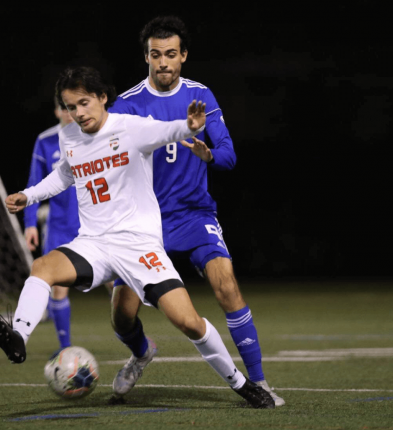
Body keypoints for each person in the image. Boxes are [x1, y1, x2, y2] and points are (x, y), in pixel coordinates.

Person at [0, 66, 274, 409]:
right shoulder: (70, 137)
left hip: (138, 246)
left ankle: (243, 385)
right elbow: (66, 172)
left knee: (188, 322)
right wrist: (29, 195)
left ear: (102, 98)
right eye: (70, 107)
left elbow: (168, 130)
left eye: (83, 103)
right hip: (93, 243)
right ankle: (19, 335)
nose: (77, 113)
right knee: (43, 267)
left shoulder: (130, 128)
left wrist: (191, 126)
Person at [108, 16, 285, 406]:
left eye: (171, 54)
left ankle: (259, 383)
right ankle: (141, 352)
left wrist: (208, 155)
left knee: (227, 286)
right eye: (156, 55)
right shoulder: (126, 104)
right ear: (147, 57)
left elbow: (229, 156)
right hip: (143, 223)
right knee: (121, 316)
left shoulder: (202, 96)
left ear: (184, 56)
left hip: (193, 215)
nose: (163, 63)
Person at [24, 99, 114, 350]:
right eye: (64, 107)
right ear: (56, 110)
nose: (69, 112)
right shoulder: (46, 140)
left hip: (96, 223)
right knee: (58, 288)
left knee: (116, 282)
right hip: (60, 226)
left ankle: (132, 339)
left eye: (72, 107)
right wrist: (30, 223)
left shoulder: (97, 135)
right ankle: (66, 349)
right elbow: (35, 183)